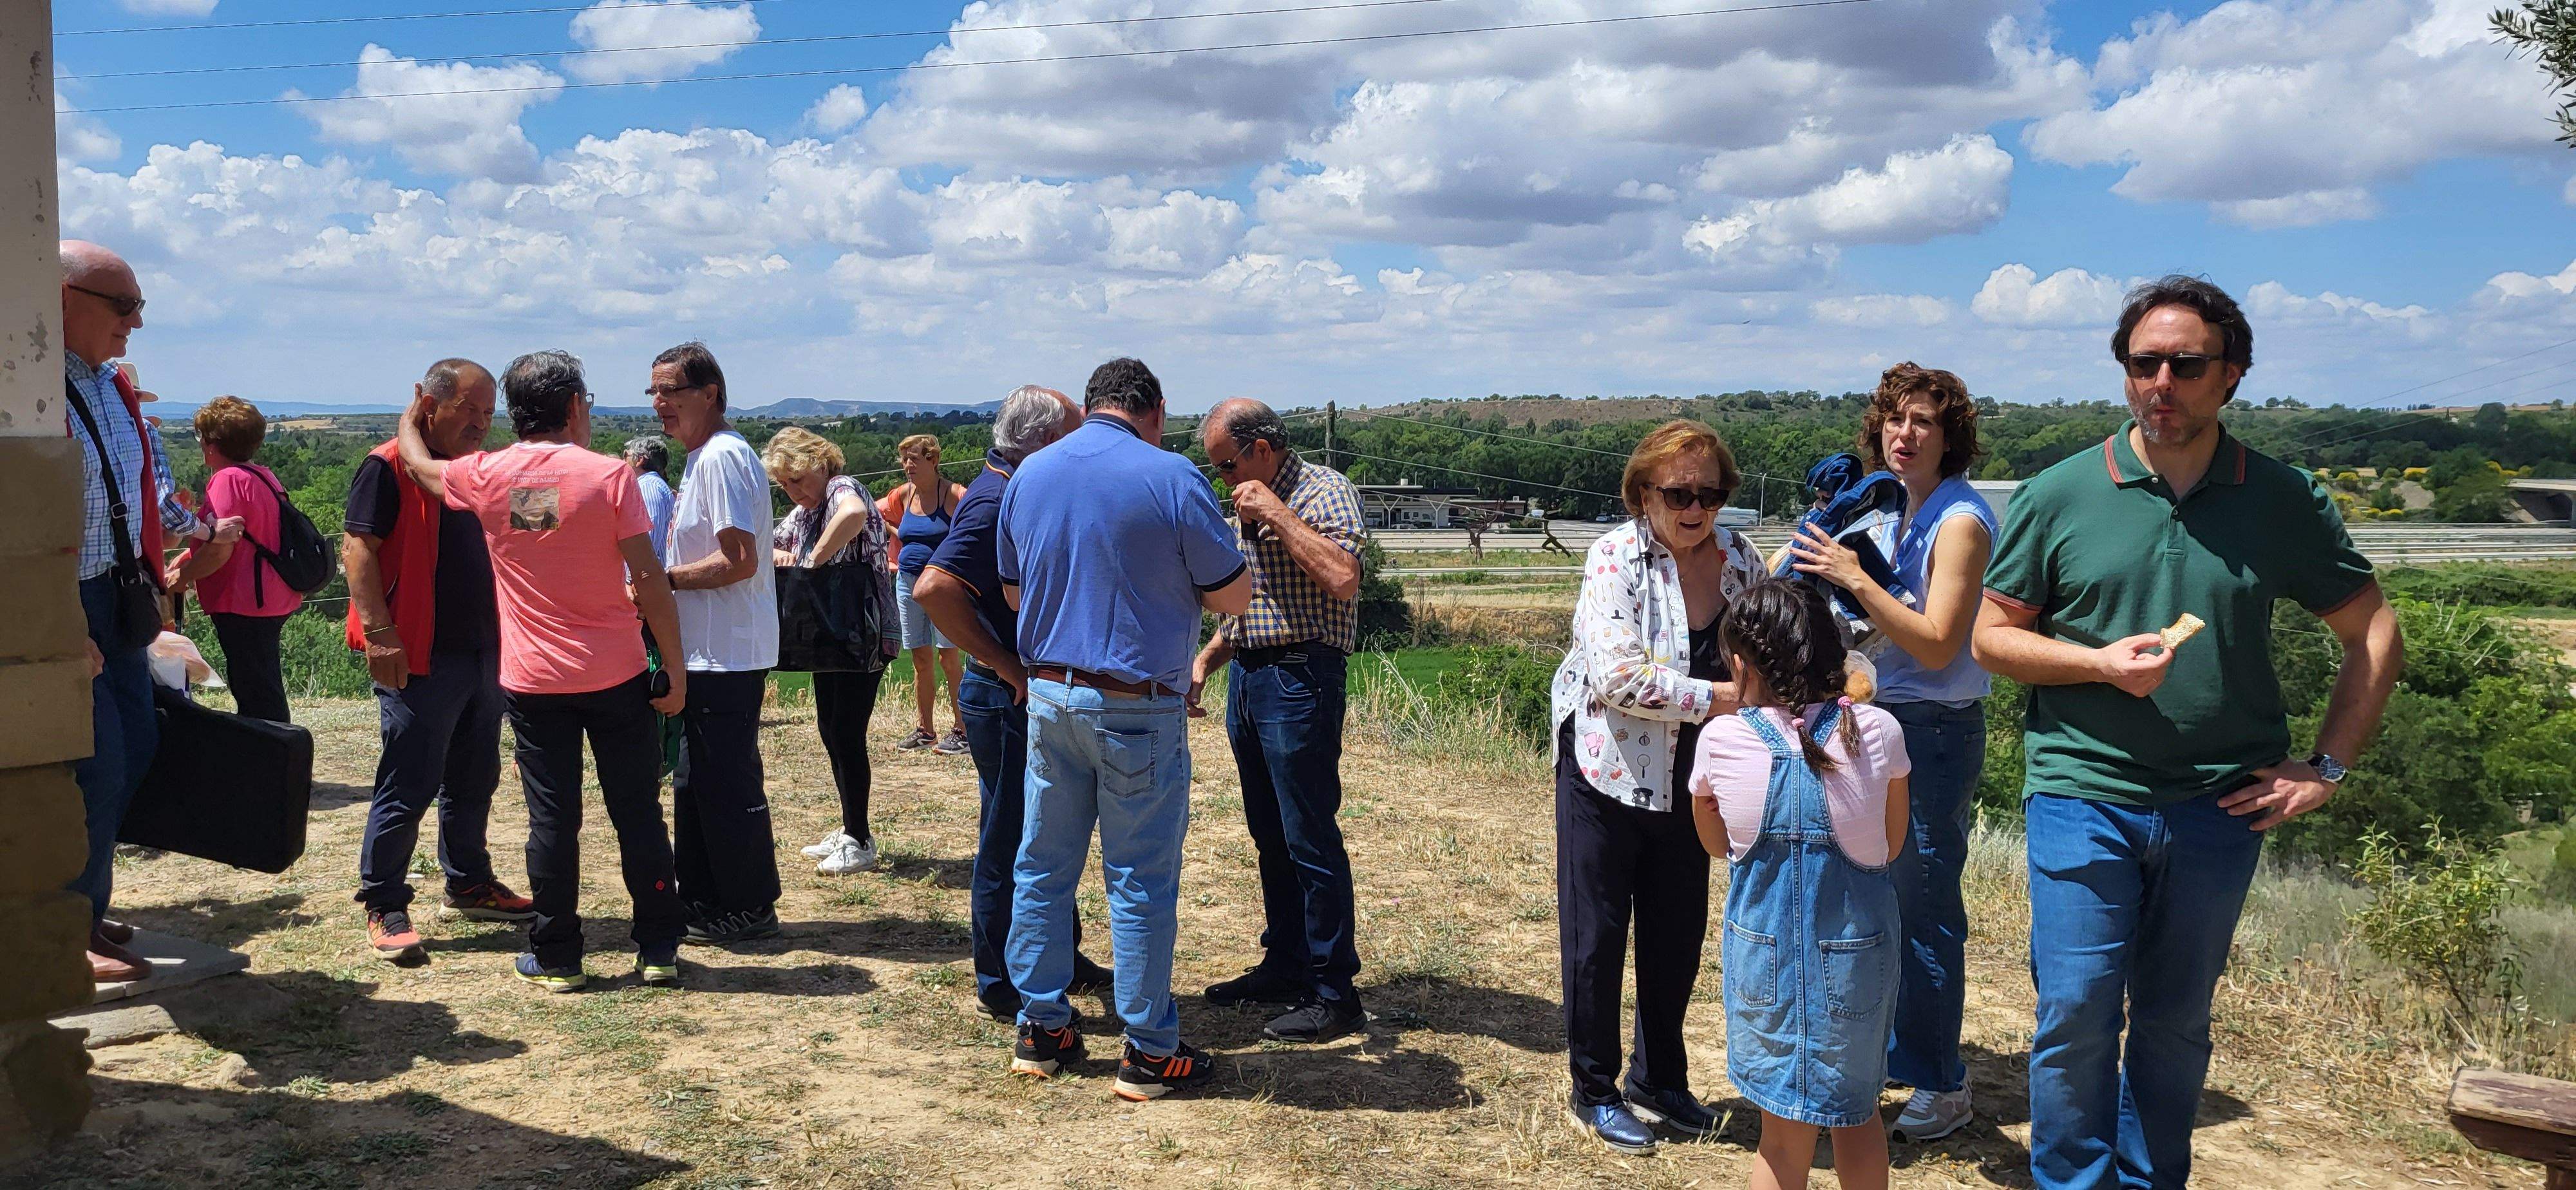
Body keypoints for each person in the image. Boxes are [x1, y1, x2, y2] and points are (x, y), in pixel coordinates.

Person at [1975, 276, 2403, 1189]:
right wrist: (2096, 665)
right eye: (2143, 363)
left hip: (2221, 805)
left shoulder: (2283, 499)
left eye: (2186, 363)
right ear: (2125, 373)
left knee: (2174, 1022)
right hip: (2081, 792)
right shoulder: (2060, 493)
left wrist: (2326, 768)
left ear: (2231, 375)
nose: (2162, 382)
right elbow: (1990, 635)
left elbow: (2371, 629)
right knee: (2077, 1012)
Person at [395, 350, 692, 992]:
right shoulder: (611, 477)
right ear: (576, 406)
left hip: (534, 681)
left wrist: (413, 414)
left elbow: (421, 469)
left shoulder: (494, 477)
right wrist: (672, 665)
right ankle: (659, 947)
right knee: (637, 811)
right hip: (614, 672)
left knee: (553, 819)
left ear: (514, 411)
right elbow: (647, 577)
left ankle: (557, 954)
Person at [997, 357, 1253, 1101]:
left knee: (1042, 867)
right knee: (1138, 879)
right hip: (1135, 703)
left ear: (1090, 405)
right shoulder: (1171, 477)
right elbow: (1231, 592)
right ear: (1156, 409)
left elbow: (1015, 592)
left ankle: (1041, 1026)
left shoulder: (1031, 476)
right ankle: (1147, 1050)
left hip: (1049, 695)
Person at [1783, 363, 1994, 1141]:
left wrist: (1852, 577)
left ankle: (1943, 1082)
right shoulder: (1901, 508)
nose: (1905, 435)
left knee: (1927, 909)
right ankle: (1902, 1055)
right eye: (1895, 421)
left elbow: (1939, 644)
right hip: (1883, 721)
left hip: (1933, 730)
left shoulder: (1960, 521)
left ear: (1951, 438)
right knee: (1879, 900)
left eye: (1924, 424)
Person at [1547, 419, 1764, 1154]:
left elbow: (1775, 644)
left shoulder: (1740, 557)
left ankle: (1660, 1079)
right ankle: (1595, 1088)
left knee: (1676, 935)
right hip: (1605, 769)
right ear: (1644, 492)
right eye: (1679, 492)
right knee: (1598, 935)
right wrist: (1730, 698)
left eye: (1711, 492)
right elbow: (1619, 678)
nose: (1696, 507)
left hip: (1696, 780)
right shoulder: (1614, 556)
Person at [59, 241, 245, 983]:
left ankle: (85, 904)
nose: (135, 323)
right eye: (124, 306)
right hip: (61, 599)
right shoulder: (22, 385)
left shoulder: (111, 387)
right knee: (95, 763)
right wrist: (48, 620)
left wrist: (194, 541)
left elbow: (144, 492)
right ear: (62, 297)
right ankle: (65, 927)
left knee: (135, 747)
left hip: (117, 593)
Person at [1688, 580, 1909, 1190]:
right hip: (1857, 964)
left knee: (1782, 1137)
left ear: (1739, 662)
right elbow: (1890, 848)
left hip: (1766, 965)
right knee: (1858, 1116)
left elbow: (1717, 846)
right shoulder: (1881, 732)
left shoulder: (1720, 740)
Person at [913, 384, 1113, 1022]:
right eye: (1077, 434)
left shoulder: (1012, 488)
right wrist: (1003, 664)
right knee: (1011, 838)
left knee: (1042, 831)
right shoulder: (995, 500)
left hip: (1012, 691)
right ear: (1047, 441)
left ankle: (1060, 958)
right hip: (1003, 695)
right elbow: (933, 588)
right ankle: (1000, 978)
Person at [1188, 399, 1370, 1043]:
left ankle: (1333, 991)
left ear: (1263, 448)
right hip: (1252, 673)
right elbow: (1254, 601)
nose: (1223, 479)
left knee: (1309, 836)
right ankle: (1287, 961)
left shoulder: (1322, 490)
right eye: (1215, 469)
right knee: (1270, 833)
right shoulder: (1245, 496)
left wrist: (1275, 512)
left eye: (1227, 465)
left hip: (1301, 675)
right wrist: (1209, 659)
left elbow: (1343, 577)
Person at [345, 360, 533, 965]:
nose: (481, 423)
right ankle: (384, 900)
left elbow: (541, 524)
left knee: (476, 775)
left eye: (488, 412)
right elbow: (358, 549)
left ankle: (469, 882)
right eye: (469, 410)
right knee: (411, 779)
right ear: (428, 404)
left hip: (487, 648)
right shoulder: (385, 466)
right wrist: (379, 633)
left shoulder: (486, 469)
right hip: (421, 651)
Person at [650, 341, 784, 945]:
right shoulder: (707, 456)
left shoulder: (723, 457)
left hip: (725, 653)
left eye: (670, 392)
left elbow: (737, 560)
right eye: (653, 393)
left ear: (710, 394)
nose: (659, 405)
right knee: (696, 781)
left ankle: (750, 905)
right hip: (708, 651)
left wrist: (659, 582)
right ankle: (703, 899)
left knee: (726, 784)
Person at [763, 427, 898, 876]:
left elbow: (855, 514)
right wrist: (785, 556)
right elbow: (774, 545)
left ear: (820, 463)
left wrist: (810, 561)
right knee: (831, 728)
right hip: (831, 637)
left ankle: (859, 839)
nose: (792, 491)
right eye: (784, 484)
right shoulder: (807, 510)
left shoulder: (842, 488)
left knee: (845, 732)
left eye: (797, 480)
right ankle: (850, 829)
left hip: (862, 631)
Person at [166, 396, 300, 723]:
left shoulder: (227, 480)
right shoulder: (263, 475)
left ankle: (275, 764)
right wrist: (189, 554)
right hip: (270, 596)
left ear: (211, 444)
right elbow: (248, 536)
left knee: (256, 692)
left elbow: (222, 548)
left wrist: (183, 578)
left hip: (244, 601)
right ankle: (279, 762)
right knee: (262, 684)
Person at [879, 435, 971, 755]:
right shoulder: (905, 495)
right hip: (907, 583)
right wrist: (896, 535)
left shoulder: (954, 494)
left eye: (914, 458)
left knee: (949, 658)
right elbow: (872, 512)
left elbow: (977, 526)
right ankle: (925, 730)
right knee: (920, 659)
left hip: (943, 587)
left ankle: (962, 730)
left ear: (933, 460)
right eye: (904, 459)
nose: (907, 466)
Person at [625, 435, 678, 559]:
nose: (623, 462)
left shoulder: (648, 485)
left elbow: (648, 535)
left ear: (639, 460)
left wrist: (632, 575)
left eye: (626, 456)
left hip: (647, 575)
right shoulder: (653, 484)